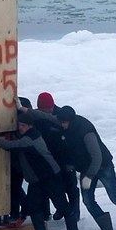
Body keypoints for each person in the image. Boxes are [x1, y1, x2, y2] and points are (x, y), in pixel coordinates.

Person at [45, 105, 116, 230]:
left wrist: (89, 176)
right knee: (88, 201)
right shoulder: (65, 121)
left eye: (63, 122)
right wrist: (25, 110)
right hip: (85, 167)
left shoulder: (85, 131)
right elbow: (46, 116)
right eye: (60, 122)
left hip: (103, 166)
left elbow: (97, 157)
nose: (61, 125)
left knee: (115, 197)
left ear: (70, 120)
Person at [0, 112, 81, 230]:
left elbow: (10, 146)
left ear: (29, 126)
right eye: (19, 125)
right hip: (37, 180)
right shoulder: (29, 134)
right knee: (33, 206)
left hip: (50, 177)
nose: (20, 127)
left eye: (22, 125)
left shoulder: (29, 139)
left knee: (62, 206)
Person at [34, 92, 80, 222]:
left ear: (52, 105)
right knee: (53, 186)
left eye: (47, 110)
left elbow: (72, 139)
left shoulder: (62, 116)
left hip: (65, 157)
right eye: (42, 110)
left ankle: (74, 212)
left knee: (70, 187)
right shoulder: (37, 116)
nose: (45, 113)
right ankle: (59, 209)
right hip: (49, 158)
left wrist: (71, 161)